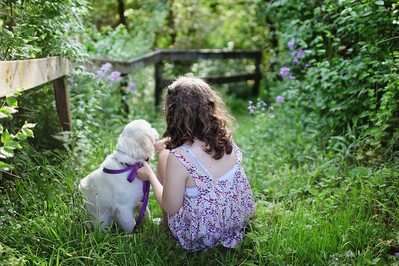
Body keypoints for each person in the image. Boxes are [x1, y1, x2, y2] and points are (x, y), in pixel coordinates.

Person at [137, 74, 255, 251]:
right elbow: (197, 148)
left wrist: (150, 176)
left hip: (203, 234)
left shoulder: (178, 157)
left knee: (164, 157)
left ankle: (166, 225)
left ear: (173, 112)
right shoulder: (224, 136)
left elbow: (171, 207)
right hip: (237, 219)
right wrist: (170, 142)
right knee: (168, 155)